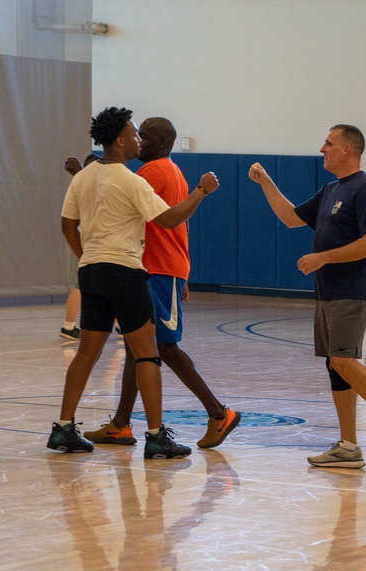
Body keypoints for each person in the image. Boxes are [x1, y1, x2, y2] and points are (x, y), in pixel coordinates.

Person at [48, 106, 219, 460]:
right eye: (134, 133)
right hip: (124, 271)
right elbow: (170, 219)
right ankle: (156, 437)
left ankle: (64, 428)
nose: (138, 139)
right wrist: (202, 190)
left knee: (85, 354)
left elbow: (67, 224)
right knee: (147, 355)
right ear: (121, 140)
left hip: (91, 271)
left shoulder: (82, 177)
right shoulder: (132, 180)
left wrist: (85, 254)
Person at [249, 124, 366, 470]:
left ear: (348, 149)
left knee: (343, 360)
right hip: (327, 292)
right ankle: (348, 445)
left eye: (328, 143)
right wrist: (266, 181)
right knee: (335, 364)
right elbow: (291, 217)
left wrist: (323, 257)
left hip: (351, 291)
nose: (321, 148)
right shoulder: (330, 190)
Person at [84, 117, 240, 449]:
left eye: (144, 135)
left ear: (161, 143)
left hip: (157, 269)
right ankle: (120, 424)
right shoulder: (168, 170)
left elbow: (120, 204)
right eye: (136, 134)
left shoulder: (152, 172)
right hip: (156, 269)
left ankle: (218, 414)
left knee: (164, 348)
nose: (138, 140)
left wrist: (80, 177)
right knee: (136, 350)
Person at [59, 153, 100, 341]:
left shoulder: (83, 185)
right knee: (81, 284)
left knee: (106, 284)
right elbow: (68, 225)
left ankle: (118, 324)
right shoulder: (83, 187)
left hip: (96, 241)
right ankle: (68, 326)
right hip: (93, 241)